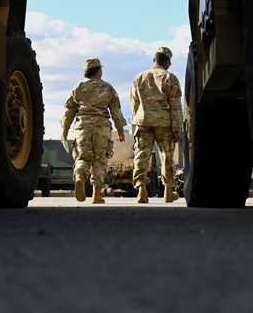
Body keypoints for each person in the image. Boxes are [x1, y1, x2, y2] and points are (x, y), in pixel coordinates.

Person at [61, 57, 127, 204]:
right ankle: (97, 195)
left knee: (82, 158)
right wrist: (120, 130)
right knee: (100, 160)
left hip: (82, 127)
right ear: (98, 71)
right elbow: (116, 111)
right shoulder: (108, 88)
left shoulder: (77, 87)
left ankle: (79, 176)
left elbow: (68, 111)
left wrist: (65, 130)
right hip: (101, 128)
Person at [130, 46, 183, 203]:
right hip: (164, 123)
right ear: (166, 61)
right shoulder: (170, 78)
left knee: (141, 155)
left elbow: (134, 103)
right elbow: (175, 106)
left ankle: (141, 191)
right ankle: (168, 191)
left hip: (143, 121)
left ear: (154, 60)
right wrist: (177, 128)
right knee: (166, 156)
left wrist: (138, 118)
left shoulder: (139, 78)